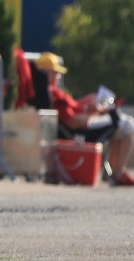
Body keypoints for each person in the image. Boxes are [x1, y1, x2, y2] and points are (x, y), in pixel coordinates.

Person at [35, 51, 134, 184]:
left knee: (123, 123)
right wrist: (96, 112)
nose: (58, 76)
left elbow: (73, 107)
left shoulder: (52, 91)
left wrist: (88, 102)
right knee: (126, 125)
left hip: (84, 120)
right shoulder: (51, 93)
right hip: (80, 130)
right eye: (55, 72)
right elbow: (73, 122)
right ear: (46, 73)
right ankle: (118, 172)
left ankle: (115, 171)